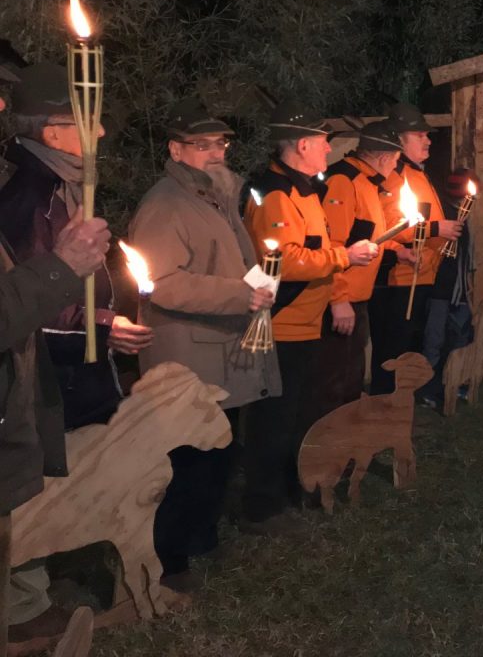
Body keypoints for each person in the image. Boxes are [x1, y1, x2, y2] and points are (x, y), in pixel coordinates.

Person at [0, 61, 153, 644]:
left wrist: (104, 319)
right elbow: (36, 304)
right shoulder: (28, 199)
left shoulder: (59, 186)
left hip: (64, 369)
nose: (103, 133)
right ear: (53, 133)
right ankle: (24, 603)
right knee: (33, 492)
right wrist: (100, 327)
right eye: (88, 122)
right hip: (45, 375)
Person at [128, 98, 279, 589]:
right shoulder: (165, 205)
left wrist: (259, 286)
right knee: (185, 459)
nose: (216, 153)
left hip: (218, 349)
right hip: (187, 358)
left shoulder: (216, 197)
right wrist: (240, 294)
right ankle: (167, 562)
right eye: (202, 145)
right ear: (175, 150)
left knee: (216, 451)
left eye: (220, 144)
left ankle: (201, 538)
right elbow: (161, 283)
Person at [240, 102, 378, 531]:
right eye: (323, 142)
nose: (328, 150)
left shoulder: (303, 191)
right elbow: (284, 260)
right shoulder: (276, 195)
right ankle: (262, 507)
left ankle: (290, 491)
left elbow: (318, 246)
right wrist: (345, 257)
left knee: (296, 413)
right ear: (302, 146)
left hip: (304, 323)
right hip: (280, 325)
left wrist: (336, 282)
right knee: (273, 419)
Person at [368, 104, 460, 397]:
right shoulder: (394, 176)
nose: (428, 140)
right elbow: (389, 227)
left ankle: (401, 401)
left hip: (421, 275)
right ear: (398, 139)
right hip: (400, 278)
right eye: (419, 135)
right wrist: (436, 229)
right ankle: (384, 402)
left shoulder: (416, 174)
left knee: (409, 345)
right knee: (393, 348)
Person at [316, 118, 400, 415]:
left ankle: (348, 437)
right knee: (336, 380)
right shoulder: (344, 181)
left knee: (351, 377)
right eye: (395, 161)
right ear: (384, 158)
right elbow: (332, 245)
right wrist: (339, 299)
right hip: (342, 301)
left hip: (357, 298)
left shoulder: (366, 183)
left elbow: (367, 235)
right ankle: (330, 439)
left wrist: (398, 250)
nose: (395, 168)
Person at [418, 168, 477, 410]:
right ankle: (428, 390)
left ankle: (451, 385)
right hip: (440, 290)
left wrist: (468, 285)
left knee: (458, 337)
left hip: (457, 291)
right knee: (434, 340)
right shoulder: (444, 215)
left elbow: (466, 256)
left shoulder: (463, 217)